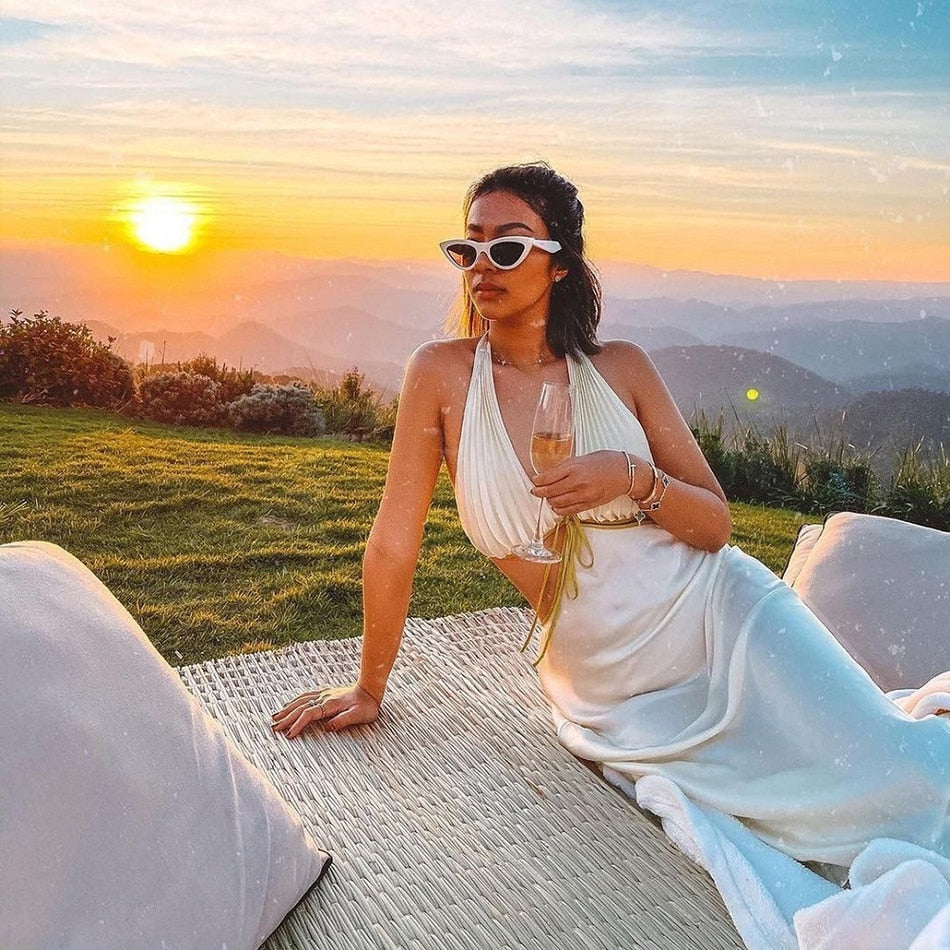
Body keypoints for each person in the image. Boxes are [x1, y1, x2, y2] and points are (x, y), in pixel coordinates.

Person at [271, 163, 948, 888]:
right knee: (803, 813)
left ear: (559, 264)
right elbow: (392, 544)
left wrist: (632, 478)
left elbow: (714, 525)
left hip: (724, 613)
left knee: (901, 777)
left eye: (508, 247)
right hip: (610, 684)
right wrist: (370, 687)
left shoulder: (622, 368)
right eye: (467, 248)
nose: (481, 266)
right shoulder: (439, 374)